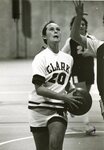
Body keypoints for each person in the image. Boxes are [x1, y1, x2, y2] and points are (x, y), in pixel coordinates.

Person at [28, 20, 81, 150]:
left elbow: (65, 81)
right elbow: (39, 89)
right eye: (51, 29)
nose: (56, 31)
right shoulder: (41, 58)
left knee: (55, 147)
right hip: (38, 109)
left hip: (58, 108)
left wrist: (73, 93)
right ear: (44, 37)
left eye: (57, 29)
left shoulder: (68, 59)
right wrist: (65, 97)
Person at [62, 16, 96, 135]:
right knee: (83, 98)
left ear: (86, 26)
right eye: (79, 24)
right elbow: (62, 53)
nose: (81, 26)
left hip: (89, 72)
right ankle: (86, 125)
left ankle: (72, 105)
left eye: (83, 24)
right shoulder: (70, 40)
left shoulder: (91, 39)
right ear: (73, 27)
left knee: (84, 96)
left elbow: (98, 52)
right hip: (77, 72)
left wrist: (91, 53)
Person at [70, 0, 104, 119]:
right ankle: (86, 122)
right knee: (83, 95)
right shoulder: (98, 45)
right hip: (77, 72)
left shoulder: (94, 42)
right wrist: (78, 17)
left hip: (88, 72)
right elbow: (74, 36)